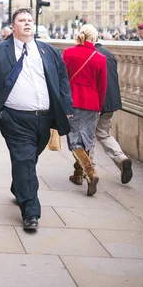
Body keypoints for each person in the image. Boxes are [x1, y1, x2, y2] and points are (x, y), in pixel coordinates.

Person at [0, 7, 73, 231]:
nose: (27, 23)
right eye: (22, 20)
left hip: (44, 119)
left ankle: (19, 186)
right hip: (14, 118)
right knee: (24, 160)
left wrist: (66, 108)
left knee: (28, 160)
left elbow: (62, 80)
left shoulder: (49, 51)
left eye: (30, 20)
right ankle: (30, 211)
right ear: (13, 26)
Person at [63, 24, 107, 196]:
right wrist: (100, 106)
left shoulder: (68, 53)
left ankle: (89, 173)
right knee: (86, 140)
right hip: (91, 102)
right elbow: (102, 86)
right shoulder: (100, 58)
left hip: (72, 101)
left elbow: (63, 79)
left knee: (74, 142)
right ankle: (78, 174)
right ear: (94, 38)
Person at [90, 41, 133, 184]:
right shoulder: (109, 53)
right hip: (111, 102)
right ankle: (121, 159)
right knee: (104, 134)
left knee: (89, 136)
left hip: (96, 102)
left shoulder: (90, 54)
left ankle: (90, 171)